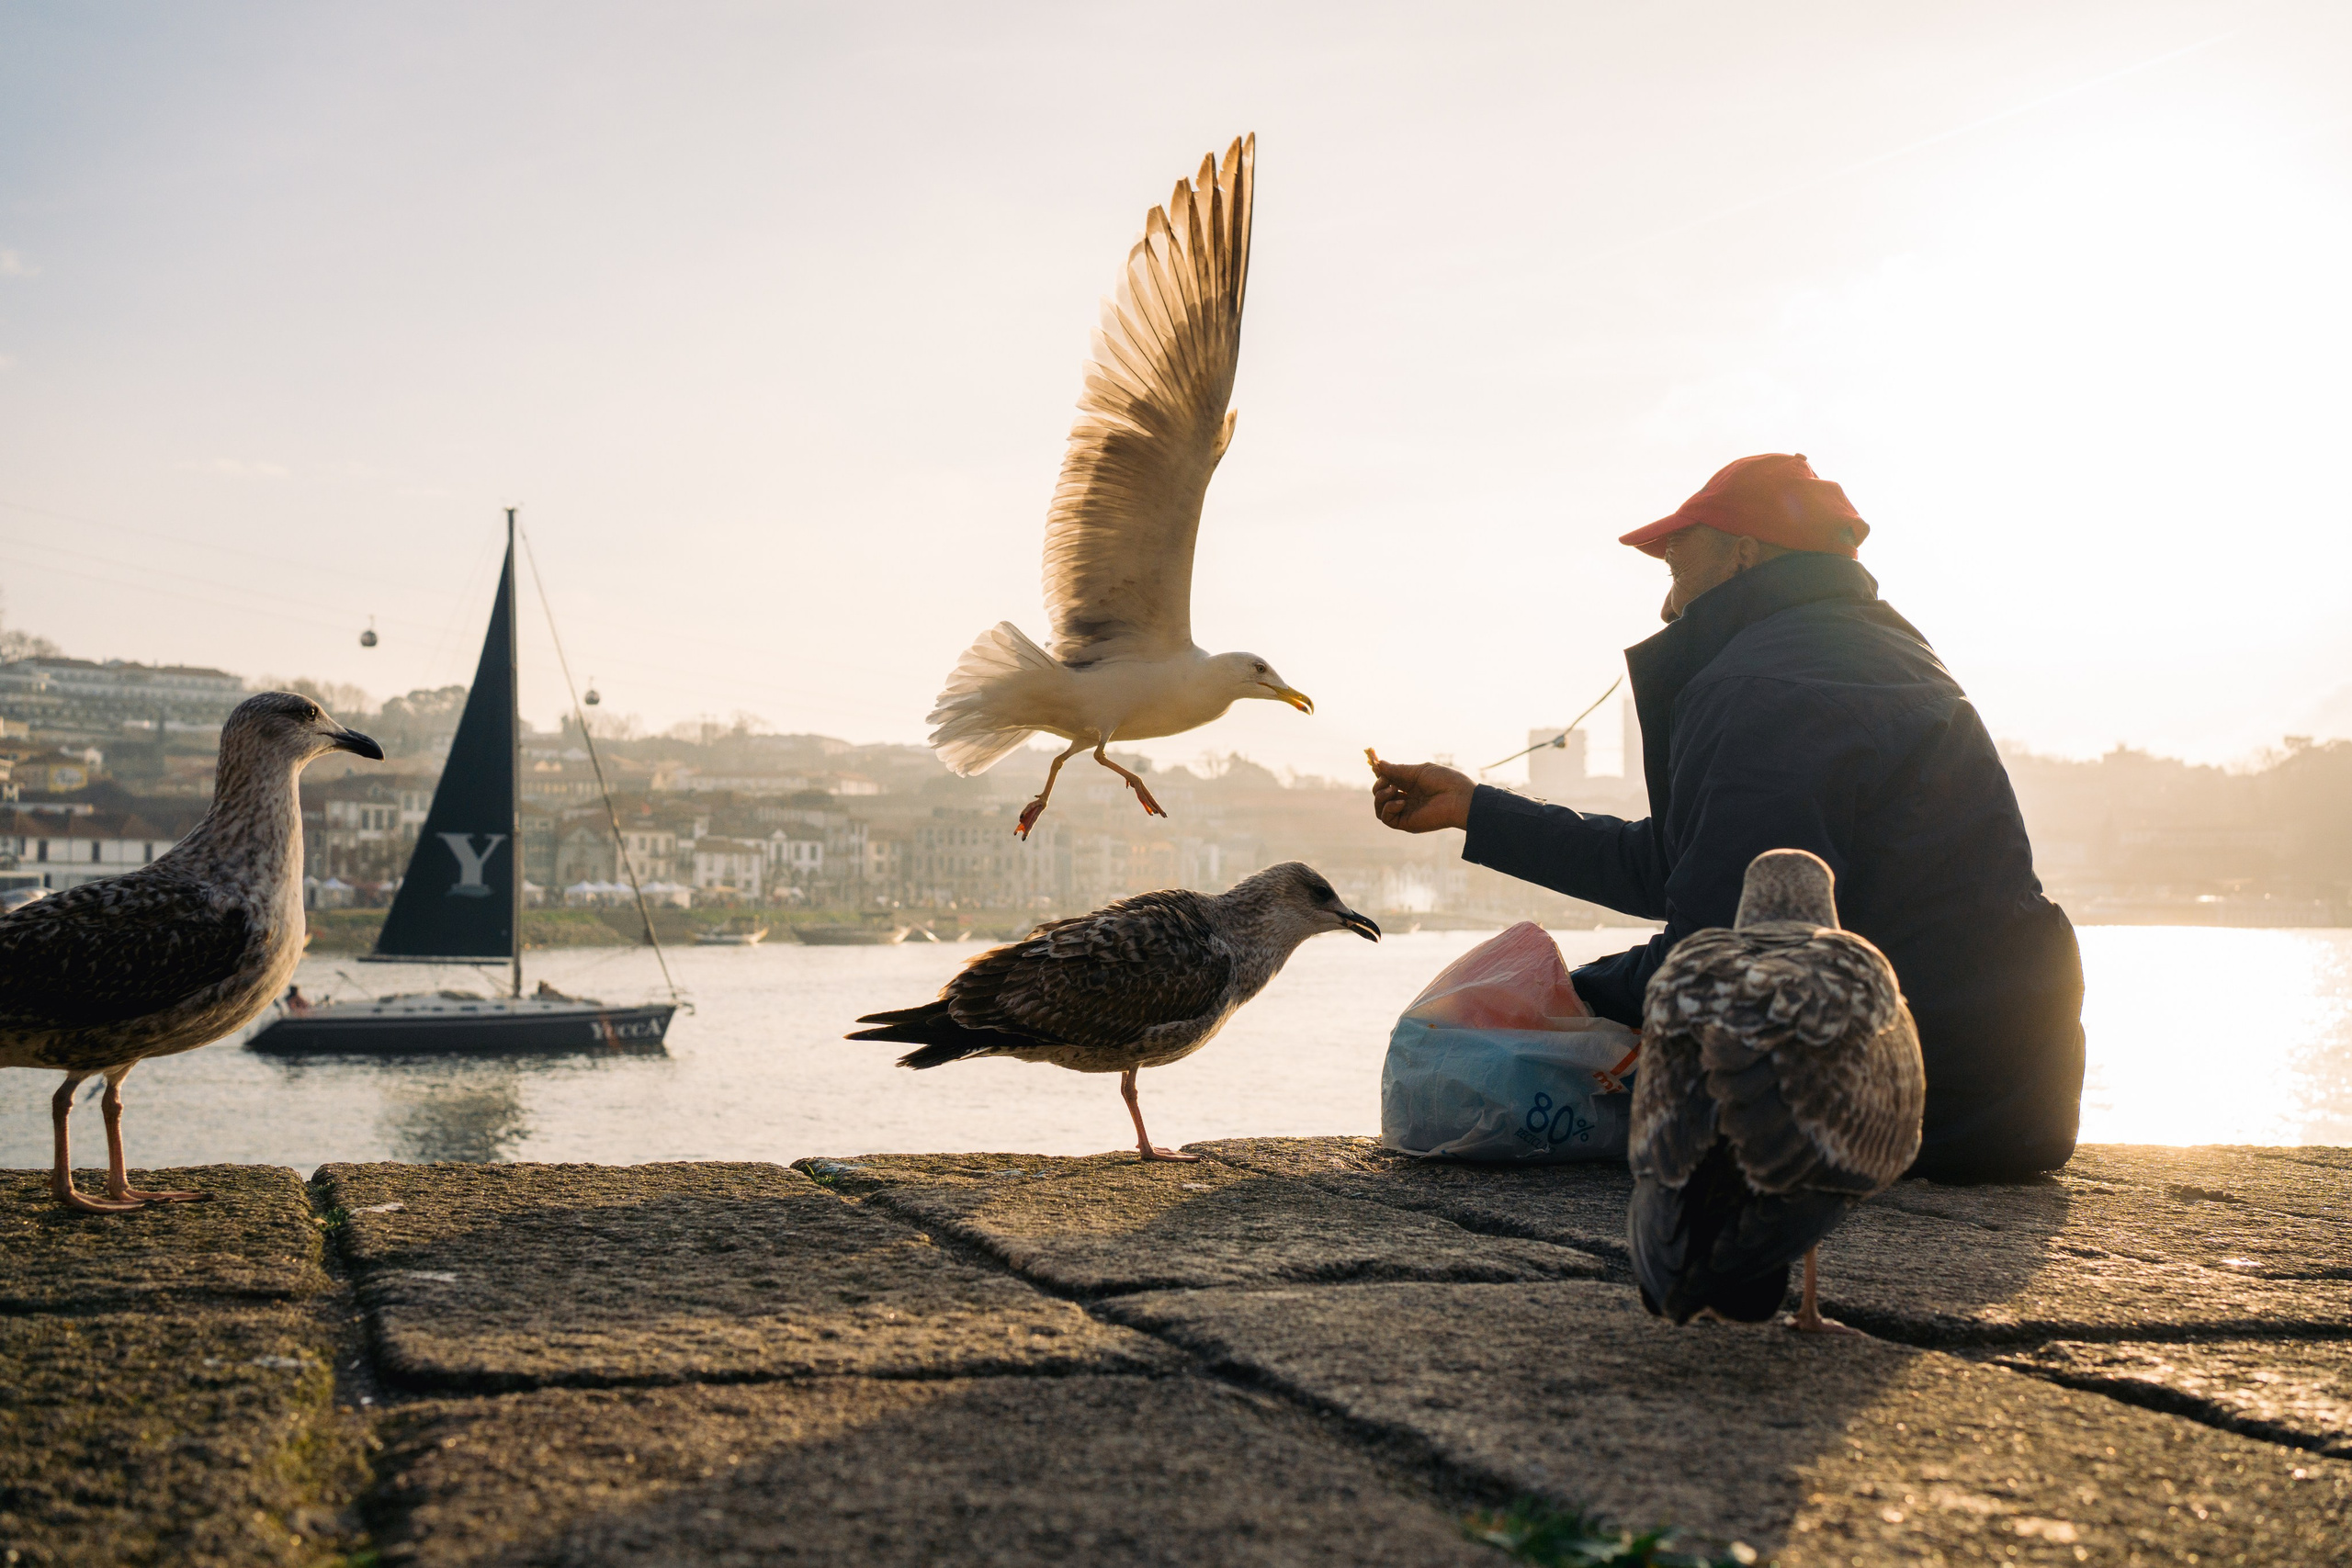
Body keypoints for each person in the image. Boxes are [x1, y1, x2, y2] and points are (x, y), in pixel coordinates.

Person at [1371, 454, 2084, 1180]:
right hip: (2009, 1095)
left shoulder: (1760, 684)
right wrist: (1477, 810)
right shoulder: (1886, 649)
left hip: (1896, 1110)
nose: (1666, 606)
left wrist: (1564, 996)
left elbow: (1718, 954)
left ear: (1743, 555)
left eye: (1677, 567)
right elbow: (1686, 864)